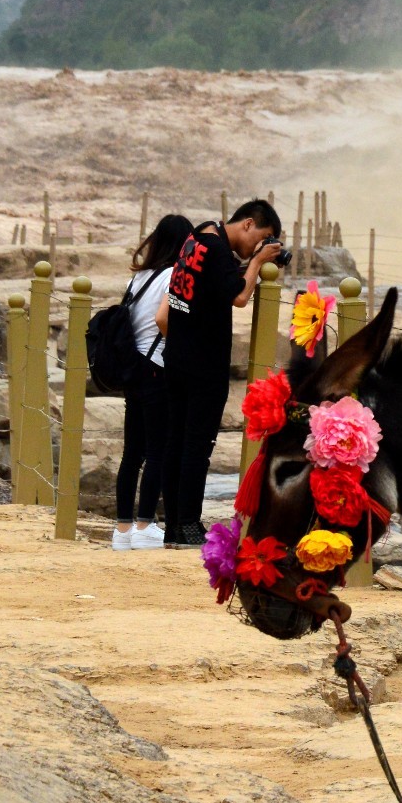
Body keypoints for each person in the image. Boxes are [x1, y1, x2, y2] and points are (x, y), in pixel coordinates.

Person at [160, 199, 286, 548]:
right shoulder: (217, 248)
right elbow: (240, 296)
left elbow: (217, 284)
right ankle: (186, 524)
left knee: (176, 441)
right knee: (197, 447)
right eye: (264, 237)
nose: (262, 245)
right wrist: (258, 262)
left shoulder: (199, 236)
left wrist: (251, 259)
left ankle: (173, 525)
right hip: (203, 364)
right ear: (248, 224)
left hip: (177, 357)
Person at [112, 211, 192, 552]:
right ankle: (146, 523)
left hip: (133, 368)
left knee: (133, 452)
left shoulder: (139, 276)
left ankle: (123, 529)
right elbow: (164, 319)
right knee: (158, 450)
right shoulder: (175, 274)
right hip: (157, 367)